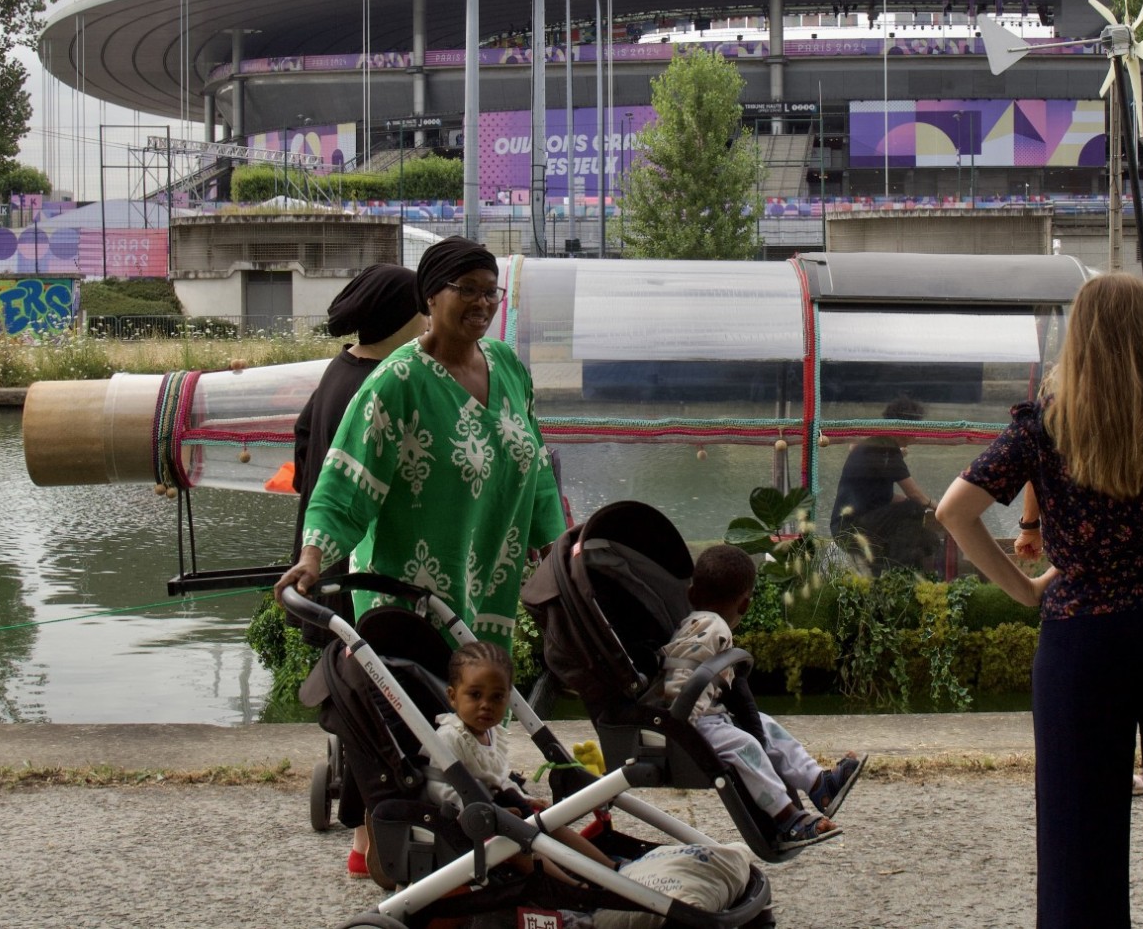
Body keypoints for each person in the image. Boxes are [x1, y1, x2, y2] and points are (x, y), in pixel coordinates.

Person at [935, 272, 1143, 929]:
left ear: (1078, 335)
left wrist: (1026, 587)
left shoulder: (1047, 423)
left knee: (1078, 835)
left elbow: (955, 511)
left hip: (1080, 638)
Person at [275, 238, 566, 873]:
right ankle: (381, 848)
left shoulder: (508, 367)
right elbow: (345, 480)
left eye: (491, 291)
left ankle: (466, 840)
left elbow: (537, 465)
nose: (483, 303)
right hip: (412, 589)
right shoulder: (396, 383)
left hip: (489, 579)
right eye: (467, 289)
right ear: (429, 297)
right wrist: (315, 556)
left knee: (475, 713)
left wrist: (558, 544)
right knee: (409, 722)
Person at [286, 261, 427, 878]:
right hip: (358, 570)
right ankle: (371, 842)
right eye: (424, 308)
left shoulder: (337, 371)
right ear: (404, 318)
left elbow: (298, 451)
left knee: (356, 705)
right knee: (378, 707)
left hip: (322, 561)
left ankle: (367, 838)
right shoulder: (383, 385)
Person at [660, 544, 862, 851]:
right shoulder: (713, 628)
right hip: (690, 722)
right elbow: (684, 680)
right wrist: (683, 726)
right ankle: (787, 816)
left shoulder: (692, 622)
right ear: (744, 605)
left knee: (766, 727)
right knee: (747, 745)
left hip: (702, 715)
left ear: (691, 594)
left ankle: (820, 784)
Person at [435, 640, 618, 883]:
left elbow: (499, 777)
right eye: (475, 695)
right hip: (466, 819)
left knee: (547, 819)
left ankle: (611, 868)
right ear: (453, 697)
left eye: (497, 697)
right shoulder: (450, 737)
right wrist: (488, 811)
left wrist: (524, 798)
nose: (486, 705)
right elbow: (438, 787)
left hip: (496, 807)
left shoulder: (492, 734)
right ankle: (572, 886)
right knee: (514, 844)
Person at [830, 397, 938, 573]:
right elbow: (916, 496)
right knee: (914, 508)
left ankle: (891, 567)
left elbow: (874, 494)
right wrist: (941, 508)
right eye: (915, 428)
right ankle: (895, 569)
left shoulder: (876, 445)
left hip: (845, 526)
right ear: (904, 427)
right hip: (852, 529)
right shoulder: (886, 449)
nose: (916, 435)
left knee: (927, 538)